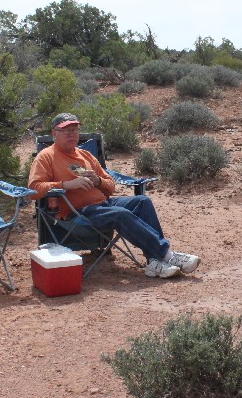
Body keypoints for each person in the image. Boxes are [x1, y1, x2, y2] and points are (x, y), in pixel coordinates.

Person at [28, 112, 200, 279]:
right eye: (66, 130)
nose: (71, 134)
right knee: (120, 214)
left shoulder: (85, 155)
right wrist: (66, 185)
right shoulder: (46, 157)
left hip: (103, 204)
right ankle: (166, 255)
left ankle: (154, 261)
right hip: (77, 213)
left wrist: (97, 181)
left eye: (74, 130)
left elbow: (110, 187)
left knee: (143, 201)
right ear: (54, 134)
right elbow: (34, 189)